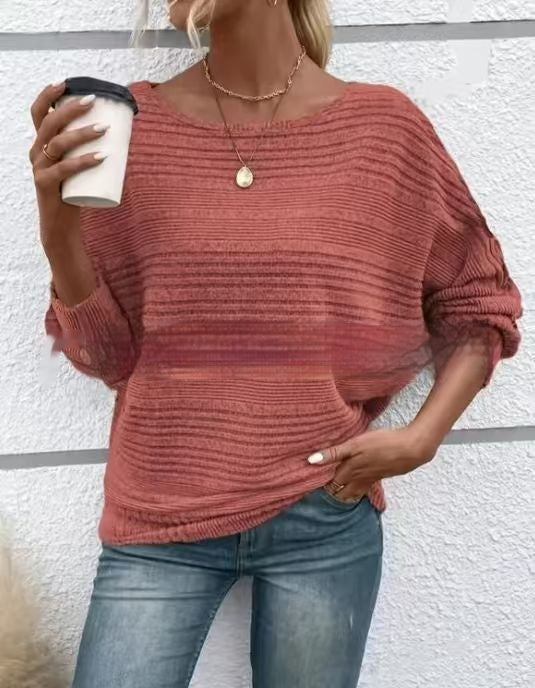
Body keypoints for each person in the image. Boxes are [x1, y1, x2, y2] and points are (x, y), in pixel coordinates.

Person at [29, 0, 523, 686]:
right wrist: (58, 231)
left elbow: (479, 301)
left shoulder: (383, 129)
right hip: (158, 512)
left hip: (322, 513)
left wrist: (421, 438)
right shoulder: (130, 128)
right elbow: (107, 359)